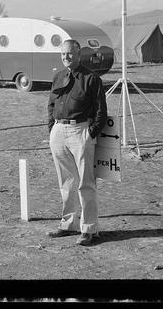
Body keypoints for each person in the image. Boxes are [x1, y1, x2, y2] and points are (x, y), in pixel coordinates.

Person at [47, 39, 108, 246]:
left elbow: (101, 111)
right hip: (59, 131)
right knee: (66, 182)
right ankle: (68, 224)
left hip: (80, 131)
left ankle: (89, 229)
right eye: (63, 54)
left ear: (78, 54)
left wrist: (90, 133)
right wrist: (52, 129)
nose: (66, 58)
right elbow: (51, 104)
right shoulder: (57, 77)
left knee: (85, 182)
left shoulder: (91, 79)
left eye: (70, 54)